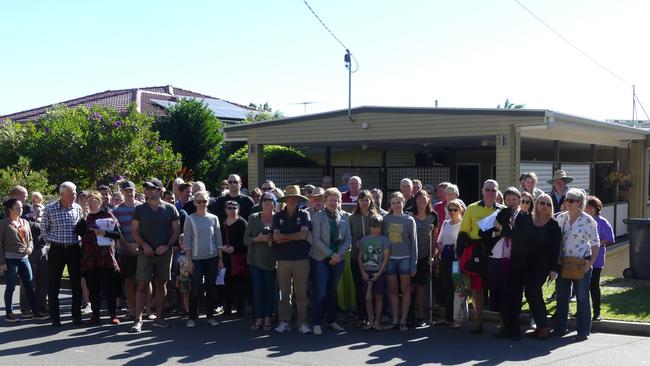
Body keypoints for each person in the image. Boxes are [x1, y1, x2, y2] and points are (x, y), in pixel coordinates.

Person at [507, 193, 561, 340]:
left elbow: (556, 249)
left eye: (548, 204)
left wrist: (554, 269)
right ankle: (539, 327)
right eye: (542, 203)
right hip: (523, 263)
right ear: (536, 204)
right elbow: (517, 239)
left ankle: (543, 327)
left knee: (532, 291)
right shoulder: (526, 219)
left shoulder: (553, 225)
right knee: (529, 294)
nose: (545, 206)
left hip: (542, 266)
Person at [130, 178, 181, 332]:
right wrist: (144, 245)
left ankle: (158, 318)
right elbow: (134, 232)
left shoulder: (171, 209)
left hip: (164, 253)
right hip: (146, 253)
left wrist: (167, 245)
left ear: (160, 191)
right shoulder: (139, 209)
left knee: (161, 285)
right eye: (146, 188)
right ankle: (138, 320)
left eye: (151, 188)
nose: (147, 191)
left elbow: (176, 231)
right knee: (141, 285)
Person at [457, 179, 504, 334]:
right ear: (482, 190)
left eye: (493, 190)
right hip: (476, 252)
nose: (490, 193)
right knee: (477, 289)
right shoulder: (471, 208)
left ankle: (503, 321)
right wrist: (459, 254)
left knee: (498, 288)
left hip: (497, 253)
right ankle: (478, 320)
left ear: (497, 192)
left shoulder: (503, 210)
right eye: (488, 189)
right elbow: (463, 233)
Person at [554, 188, 600, 341]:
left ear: (579, 203)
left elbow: (595, 243)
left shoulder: (588, 221)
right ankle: (560, 328)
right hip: (563, 263)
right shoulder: (560, 218)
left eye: (570, 200)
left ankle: (583, 331)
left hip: (582, 263)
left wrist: (590, 263)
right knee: (561, 296)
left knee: (582, 297)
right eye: (566, 199)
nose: (566, 202)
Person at [309, 188, 351, 335]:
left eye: (336, 200)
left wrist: (338, 255)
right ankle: (316, 322)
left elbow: (348, 240)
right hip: (320, 258)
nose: (333, 203)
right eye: (330, 200)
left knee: (332, 291)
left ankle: (331, 320)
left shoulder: (345, 217)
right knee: (320, 292)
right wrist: (331, 254)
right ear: (325, 201)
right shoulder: (318, 217)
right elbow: (316, 240)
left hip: (338, 259)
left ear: (339, 201)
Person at [44, 181, 85, 327]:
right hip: (57, 249)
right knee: (53, 284)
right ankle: (55, 317)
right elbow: (44, 230)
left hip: (74, 249)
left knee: (76, 284)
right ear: (62, 194)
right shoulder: (49, 209)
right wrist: (55, 240)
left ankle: (76, 316)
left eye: (75, 193)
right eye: (71, 193)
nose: (74, 196)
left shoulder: (78, 208)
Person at [77, 191, 121, 325]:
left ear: (100, 202)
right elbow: (78, 232)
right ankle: (95, 315)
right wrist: (83, 219)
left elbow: (118, 234)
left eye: (93, 201)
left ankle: (113, 314)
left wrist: (104, 232)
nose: (90, 203)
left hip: (105, 257)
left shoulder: (107, 215)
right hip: (89, 258)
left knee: (109, 288)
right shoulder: (85, 217)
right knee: (93, 288)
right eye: (88, 201)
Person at [272, 185, 312, 334]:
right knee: (284, 293)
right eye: (290, 197)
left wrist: (285, 237)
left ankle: (302, 322)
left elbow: (303, 235)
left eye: (295, 198)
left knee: (301, 293)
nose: (292, 200)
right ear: (286, 199)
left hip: (301, 259)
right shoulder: (278, 216)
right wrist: (293, 237)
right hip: (282, 260)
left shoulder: (304, 215)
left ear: (298, 200)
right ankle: (284, 321)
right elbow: (275, 237)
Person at [1, 198, 48, 322]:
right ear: (10, 209)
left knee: (29, 285)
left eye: (21, 208)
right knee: (11, 286)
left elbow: (30, 239)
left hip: (24, 258)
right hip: (10, 259)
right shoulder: (4, 223)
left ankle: (36, 312)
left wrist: (30, 247)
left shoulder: (25, 222)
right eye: (17, 208)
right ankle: (9, 313)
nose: (21, 210)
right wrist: (2, 262)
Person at [484, 187, 522, 339]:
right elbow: (484, 231)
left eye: (514, 199)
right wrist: (497, 232)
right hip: (496, 257)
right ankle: (504, 325)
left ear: (519, 200)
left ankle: (515, 328)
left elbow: (516, 234)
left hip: (514, 259)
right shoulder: (499, 213)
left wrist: (503, 229)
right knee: (500, 293)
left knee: (513, 294)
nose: (511, 202)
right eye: (508, 200)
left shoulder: (523, 216)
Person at [183, 190, 222, 327]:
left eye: (204, 201)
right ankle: (192, 317)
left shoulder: (214, 218)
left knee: (211, 288)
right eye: (199, 201)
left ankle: (210, 316)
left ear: (208, 202)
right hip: (196, 259)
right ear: (194, 202)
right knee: (196, 288)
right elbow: (187, 241)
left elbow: (218, 239)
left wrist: (220, 258)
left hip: (212, 258)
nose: (201, 204)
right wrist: (189, 260)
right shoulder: (190, 218)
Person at [383, 191, 417, 331]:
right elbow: (383, 240)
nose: (396, 205)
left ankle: (403, 320)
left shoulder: (409, 220)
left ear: (403, 202)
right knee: (392, 290)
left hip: (405, 258)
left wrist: (414, 263)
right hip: (390, 259)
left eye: (399, 202)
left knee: (406, 290)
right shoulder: (385, 219)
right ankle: (395, 319)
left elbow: (414, 242)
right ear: (390, 204)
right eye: (393, 203)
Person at [244, 192, 278, 331]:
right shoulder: (253, 218)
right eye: (265, 199)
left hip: (272, 261)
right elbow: (245, 240)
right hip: (255, 260)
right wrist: (257, 239)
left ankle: (268, 318)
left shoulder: (279, 218)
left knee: (270, 290)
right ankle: (259, 319)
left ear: (274, 203)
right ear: (261, 202)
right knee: (258, 290)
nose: (267, 202)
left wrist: (271, 240)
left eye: (271, 199)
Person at [113, 180, 142, 322]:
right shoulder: (117, 210)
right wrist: (129, 245)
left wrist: (139, 244)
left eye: (131, 190)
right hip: (125, 251)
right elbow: (117, 232)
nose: (129, 193)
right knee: (129, 281)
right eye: (126, 191)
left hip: (142, 250)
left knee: (143, 281)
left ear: (135, 190)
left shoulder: (143, 208)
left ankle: (145, 310)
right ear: (123, 192)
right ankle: (132, 310)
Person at [349, 190, 379, 326]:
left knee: (374, 288)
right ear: (358, 202)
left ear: (370, 201)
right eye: (361, 200)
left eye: (367, 200)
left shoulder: (376, 217)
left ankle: (375, 316)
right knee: (359, 287)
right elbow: (348, 236)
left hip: (373, 260)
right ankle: (362, 316)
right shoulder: (352, 218)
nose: (364, 203)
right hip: (356, 258)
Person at [410, 190, 438, 326]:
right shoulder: (410, 215)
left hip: (425, 255)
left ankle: (420, 314)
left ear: (428, 200)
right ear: (415, 201)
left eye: (424, 199)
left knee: (421, 286)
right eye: (419, 199)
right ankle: (410, 313)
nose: (421, 201)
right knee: (410, 285)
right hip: (411, 255)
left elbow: (435, 236)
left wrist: (432, 255)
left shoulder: (433, 216)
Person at [358, 214, 390, 331]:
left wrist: (379, 273)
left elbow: (386, 258)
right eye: (373, 226)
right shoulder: (364, 240)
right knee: (368, 298)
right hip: (366, 272)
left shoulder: (384, 239)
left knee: (379, 297)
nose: (376, 229)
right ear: (370, 227)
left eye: (378, 227)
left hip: (379, 273)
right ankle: (370, 322)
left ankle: (377, 322)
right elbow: (360, 257)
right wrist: (363, 273)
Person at [435, 199, 463, 327]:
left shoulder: (463, 224)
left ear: (460, 210)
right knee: (446, 287)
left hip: (457, 262)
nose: (452, 212)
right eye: (449, 209)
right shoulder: (445, 223)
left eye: (454, 209)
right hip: (445, 260)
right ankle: (447, 316)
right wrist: (441, 249)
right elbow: (439, 240)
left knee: (457, 288)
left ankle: (457, 317)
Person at [585, 195, 614, 322]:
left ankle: (597, 313)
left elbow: (609, 238)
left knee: (594, 286)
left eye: (592, 207)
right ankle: (581, 311)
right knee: (582, 287)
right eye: (587, 207)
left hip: (596, 260)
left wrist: (595, 243)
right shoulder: (582, 220)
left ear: (597, 208)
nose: (589, 209)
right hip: (583, 258)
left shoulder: (602, 222)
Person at [219, 200, 249, 317]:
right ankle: (227, 309)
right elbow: (218, 239)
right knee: (226, 284)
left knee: (240, 285)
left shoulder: (242, 223)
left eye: (234, 207)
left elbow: (246, 242)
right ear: (225, 210)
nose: (232, 210)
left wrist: (234, 248)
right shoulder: (222, 223)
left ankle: (240, 310)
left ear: (238, 209)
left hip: (238, 258)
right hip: (225, 258)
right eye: (229, 208)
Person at [176, 234, 190, 316]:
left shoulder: (194, 255)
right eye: (181, 244)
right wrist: (178, 277)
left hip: (192, 276)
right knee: (185, 294)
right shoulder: (179, 255)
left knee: (194, 293)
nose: (183, 246)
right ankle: (187, 309)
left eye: (185, 243)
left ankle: (194, 309)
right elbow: (177, 268)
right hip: (183, 277)